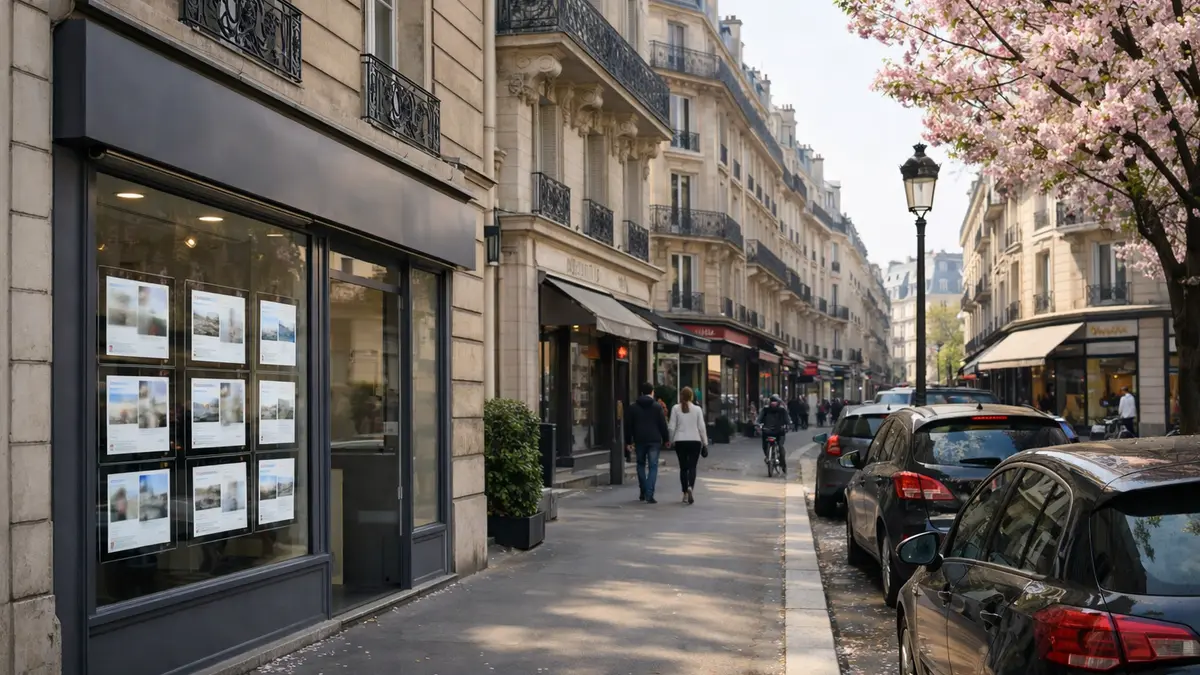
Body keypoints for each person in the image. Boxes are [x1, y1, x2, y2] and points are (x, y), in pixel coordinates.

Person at [625, 382, 669, 503]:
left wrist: (628, 441)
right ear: (652, 392)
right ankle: (649, 493)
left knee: (640, 464)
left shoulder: (633, 407)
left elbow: (628, 426)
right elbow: (662, 424)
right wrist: (666, 439)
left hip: (639, 440)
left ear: (641, 393)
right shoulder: (657, 407)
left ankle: (643, 490)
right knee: (653, 466)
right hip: (654, 440)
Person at [669, 386, 708, 505]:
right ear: (691, 397)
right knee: (692, 467)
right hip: (695, 440)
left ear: (681, 396)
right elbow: (701, 427)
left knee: (683, 468)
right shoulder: (697, 409)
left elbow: (671, 427)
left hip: (680, 441)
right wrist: (705, 442)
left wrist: (670, 440)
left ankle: (685, 493)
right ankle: (691, 486)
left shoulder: (675, 408)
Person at [756, 394, 791, 474]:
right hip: (767, 431)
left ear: (778, 402)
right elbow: (759, 419)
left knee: (780, 447)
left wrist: (788, 425)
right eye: (772, 402)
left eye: (775, 402)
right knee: (765, 446)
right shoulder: (765, 409)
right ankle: (768, 457)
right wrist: (758, 424)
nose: (773, 403)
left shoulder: (782, 410)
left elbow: (787, 420)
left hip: (779, 432)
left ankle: (783, 464)